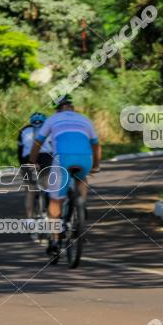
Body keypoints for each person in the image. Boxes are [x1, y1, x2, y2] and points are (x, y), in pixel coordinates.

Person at [29, 95, 101, 257]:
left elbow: (38, 142)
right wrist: (96, 165)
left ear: (58, 109)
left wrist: (33, 160)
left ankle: (54, 241)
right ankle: (81, 206)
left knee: (55, 200)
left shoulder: (53, 119)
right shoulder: (85, 120)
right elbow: (96, 145)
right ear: (73, 108)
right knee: (82, 177)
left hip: (63, 158)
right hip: (85, 158)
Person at [17, 112, 53, 220]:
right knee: (47, 186)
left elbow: (19, 150)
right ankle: (48, 214)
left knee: (29, 189)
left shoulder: (23, 130)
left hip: (27, 159)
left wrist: (22, 165)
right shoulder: (49, 130)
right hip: (46, 158)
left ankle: (29, 220)